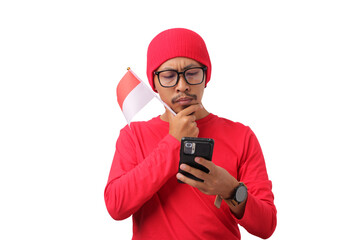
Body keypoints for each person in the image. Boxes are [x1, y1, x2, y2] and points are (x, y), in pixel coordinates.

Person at [104, 28, 277, 239]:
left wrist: (231, 190)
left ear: (206, 76)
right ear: (154, 84)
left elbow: (266, 225)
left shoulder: (242, 136)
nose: (182, 86)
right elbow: (116, 206)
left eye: (192, 73)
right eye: (168, 76)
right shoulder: (134, 136)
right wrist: (172, 142)